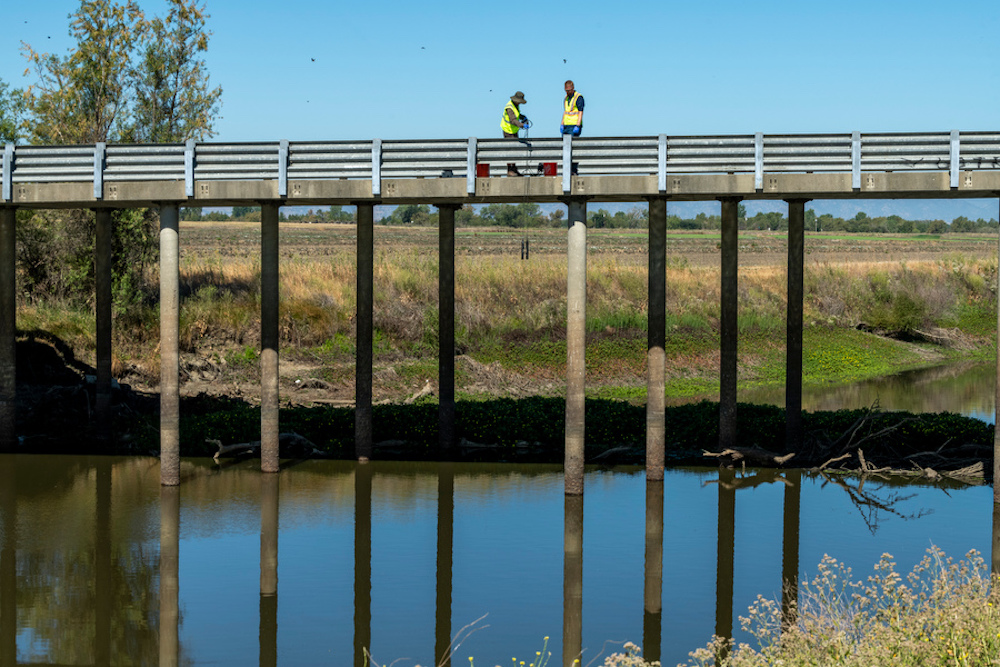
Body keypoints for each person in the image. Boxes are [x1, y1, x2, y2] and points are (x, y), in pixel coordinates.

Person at [501, 91, 528, 176]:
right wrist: (522, 125)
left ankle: (514, 169)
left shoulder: (515, 105)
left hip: (514, 131)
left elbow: (517, 114)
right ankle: (510, 170)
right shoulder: (509, 107)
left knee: (514, 150)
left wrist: (522, 117)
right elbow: (513, 120)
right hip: (508, 131)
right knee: (510, 150)